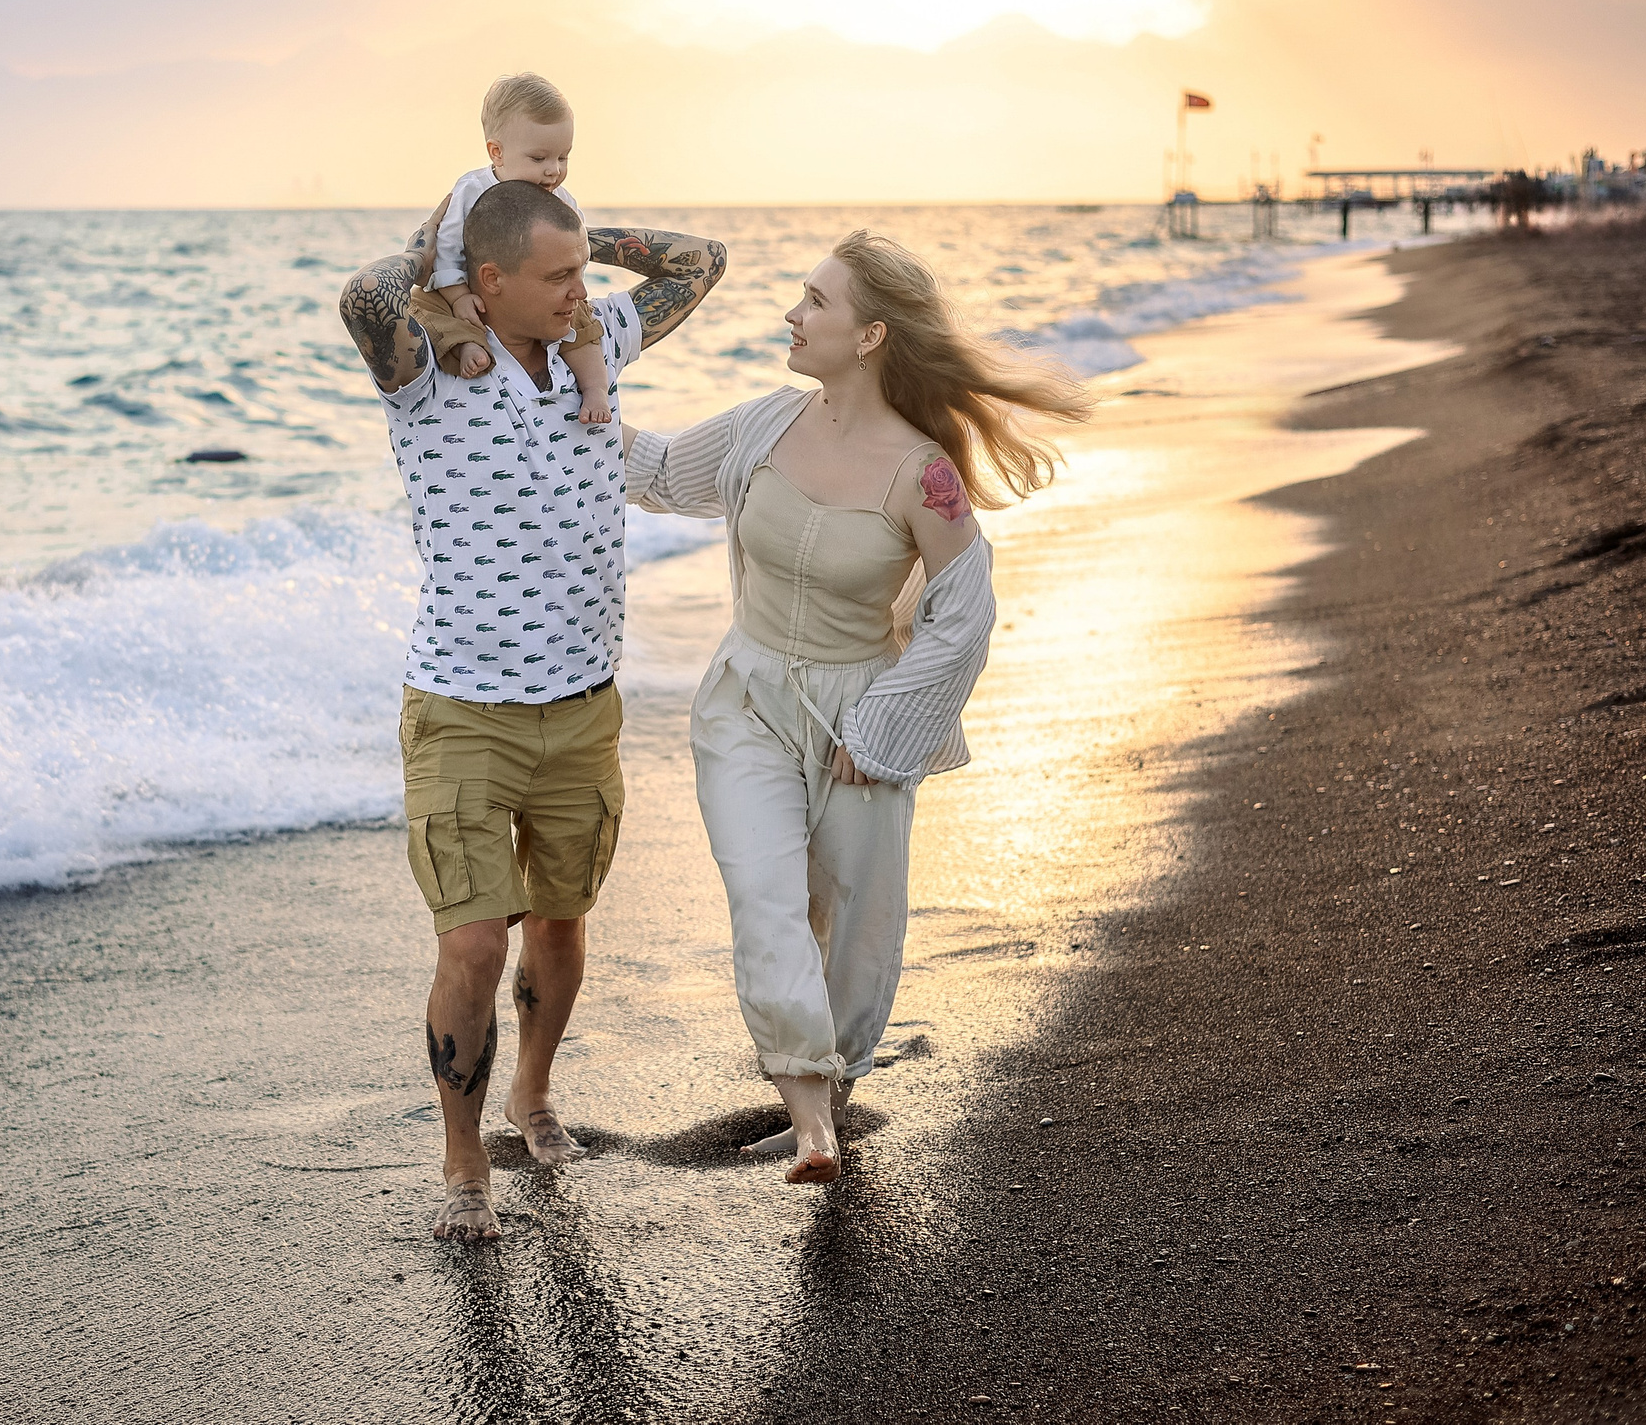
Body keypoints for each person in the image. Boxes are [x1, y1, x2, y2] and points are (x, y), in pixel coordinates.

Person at [624, 230, 1090, 1184]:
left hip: (858, 716)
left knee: (854, 918)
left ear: (871, 333)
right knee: (766, 897)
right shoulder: (764, 425)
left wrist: (882, 731)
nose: (791, 316)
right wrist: (553, 389)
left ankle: (833, 1084)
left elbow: (965, 612)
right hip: (747, 698)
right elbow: (664, 472)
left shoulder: (923, 474)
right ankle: (810, 1122)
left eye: (814, 301)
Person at [337, 181, 729, 1241]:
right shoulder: (427, 373)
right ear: (490, 280)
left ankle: (533, 1093)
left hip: (584, 703)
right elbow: (362, 297)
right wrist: (444, 245)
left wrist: (574, 233)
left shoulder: (589, 341)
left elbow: (703, 260)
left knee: (561, 922)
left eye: (584, 276)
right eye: (556, 277)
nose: (580, 293)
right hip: (463, 709)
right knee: (470, 946)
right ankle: (464, 1163)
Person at [407, 73, 614, 424]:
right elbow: (446, 246)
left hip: (526, 299)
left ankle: (595, 388)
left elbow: (577, 248)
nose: (554, 171)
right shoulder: (472, 190)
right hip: (464, 289)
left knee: (584, 323)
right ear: (497, 152)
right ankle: (466, 345)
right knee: (428, 310)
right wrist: (458, 295)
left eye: (563, 158)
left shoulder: (560, 199)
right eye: (539, 159)